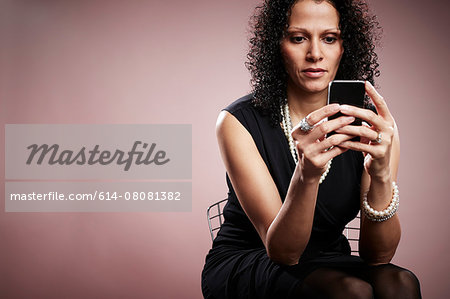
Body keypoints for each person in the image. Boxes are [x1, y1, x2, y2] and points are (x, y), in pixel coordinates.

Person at [201, 0, 422, 298]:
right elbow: (283, 253)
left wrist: (380, 175)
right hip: (251, 260)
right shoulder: (237, 121)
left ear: (345, 47)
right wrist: (307, 173)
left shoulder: (372, 125)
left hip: (327, 260)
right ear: (277, 46)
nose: (315, 54)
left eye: (329, 39)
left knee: (401, 284)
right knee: (349, 292)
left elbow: (378, 256)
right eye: (298, 38)